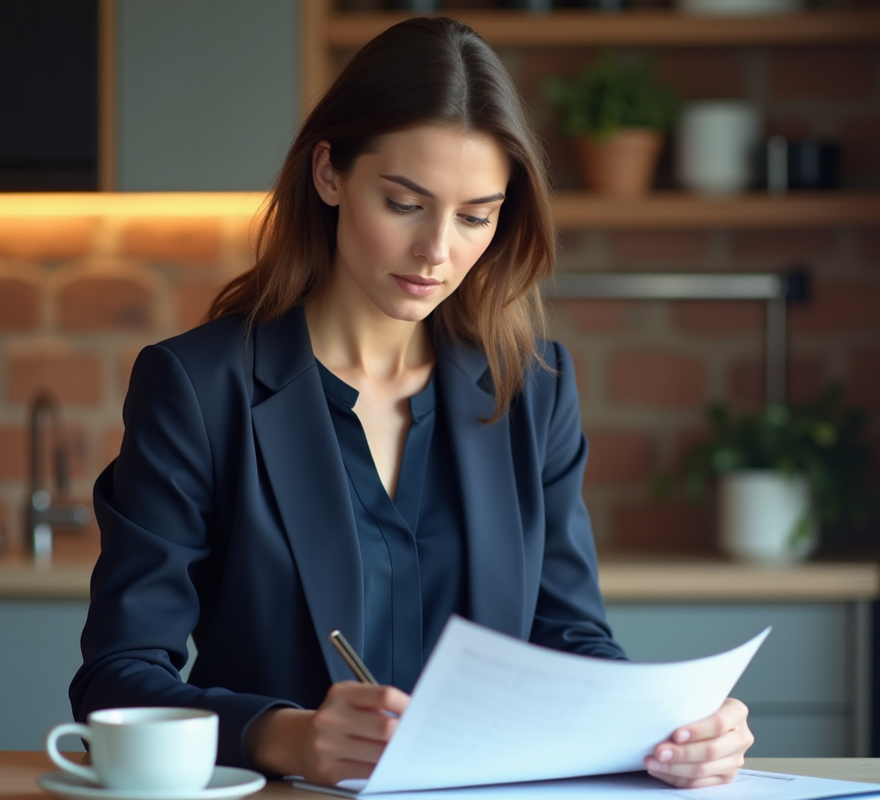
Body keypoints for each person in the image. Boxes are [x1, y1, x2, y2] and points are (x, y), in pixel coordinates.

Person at [70, 16, 753, 790]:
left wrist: (671, 732)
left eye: (475, 216)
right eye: (404, 204)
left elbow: (569, 641)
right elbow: (115, 683)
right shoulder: (198, 387)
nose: (438, 252)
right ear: (330, 174)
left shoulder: (534, 390)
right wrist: (282, 737)